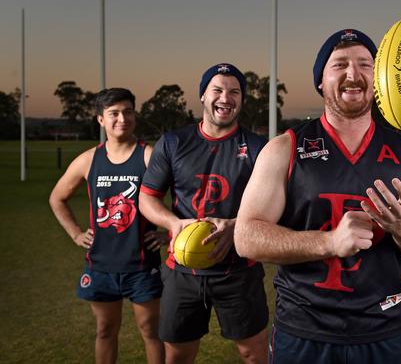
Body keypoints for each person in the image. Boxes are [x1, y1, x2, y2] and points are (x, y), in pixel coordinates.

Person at [234, 29, 401, 363]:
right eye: (339, 64)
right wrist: (329, 242)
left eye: (364, 64)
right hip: (303, 331)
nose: (352, 74)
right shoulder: (284, 149)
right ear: (320, 80)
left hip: (381, 329)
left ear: (379, 79)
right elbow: (246, 238)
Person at [138, 63, 269, 364]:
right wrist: (173, 223)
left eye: (235, 92)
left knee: (253, 353)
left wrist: (237, 225)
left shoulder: (259, 148)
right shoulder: (173, 142)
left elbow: (278, 207)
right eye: (218, 90)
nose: (226, 97)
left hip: (238, 269)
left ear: (242, 100)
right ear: (202, 96)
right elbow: (147, 199)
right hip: (182, 269)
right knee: (178, 355)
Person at [49, 88, 165, 364]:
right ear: (100, 119)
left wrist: (169, 233)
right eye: (113, 113)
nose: (122, 118)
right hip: (100, 266)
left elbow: (185, 197)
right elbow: (57, 198)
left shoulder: (150, 157)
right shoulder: (89, 160)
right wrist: (75, 233)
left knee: (151, 331)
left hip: (141, 265)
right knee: (104, 331)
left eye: (128, 111)